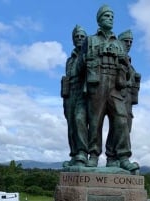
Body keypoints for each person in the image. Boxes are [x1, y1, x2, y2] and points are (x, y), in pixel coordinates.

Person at [81, 5, 139, 172]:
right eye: (106, 16)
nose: (110, 18)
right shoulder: (90, 40)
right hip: (97, 84)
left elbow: (128, 71)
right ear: (99, 19)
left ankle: (122, 156)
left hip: (115, 85)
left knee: (121, 120)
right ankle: (93, 155)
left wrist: (125, 62)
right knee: (95, 121)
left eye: (112, 16)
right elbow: (81, 67)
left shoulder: (120, 44)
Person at [105, 29, 141, 168]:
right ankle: (115, 156)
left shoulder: (129, 63)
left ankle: (114, 158)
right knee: (120, 125)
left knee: (123, 128)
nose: (129, 43)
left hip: (128, 101)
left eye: (131, 41)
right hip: (115, 95)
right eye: (126, 41)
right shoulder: (117, 59)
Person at [61, 25, 88, 167]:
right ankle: (74, 155)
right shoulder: (69, 60)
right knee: (71, 126)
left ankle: (83, 153)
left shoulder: (88, 55)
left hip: (83, 93)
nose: (79, 39)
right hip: (69, 94)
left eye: (82, 36)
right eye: (76, 36)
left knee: (79, 120)